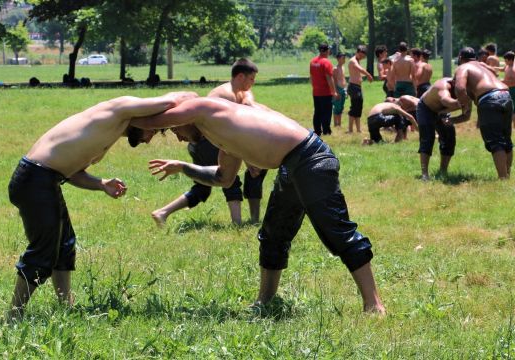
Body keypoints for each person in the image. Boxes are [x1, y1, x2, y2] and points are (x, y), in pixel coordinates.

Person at [132, 97, 386, 314]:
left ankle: (374, 306)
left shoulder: (203, 107)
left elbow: (156, 120)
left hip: (311, 159)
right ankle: (264, 302)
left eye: (176, 129)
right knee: (273, 235)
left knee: (336, 231)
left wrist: (122, 119)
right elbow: (224, 177)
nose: (177, 137)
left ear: (182, 116)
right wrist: (184, 167)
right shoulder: (223, 136)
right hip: (291, 165)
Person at [6, 91, 198, 320]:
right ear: (143, 118)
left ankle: (65, 306)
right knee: (44, 250)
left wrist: (101, 184)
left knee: (65, 245)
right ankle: (14, 315)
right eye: (153, 131)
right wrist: (194, 101)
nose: (148, 139)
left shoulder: (110, 131)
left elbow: (71, 171)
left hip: (45, 179)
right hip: (35, 179)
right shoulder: (119, 107)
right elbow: (172, 100)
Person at [151, 59, 267, 226]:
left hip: (202, 144)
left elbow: (247, 103)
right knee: (229, 177)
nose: (253, 83)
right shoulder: (224, 95)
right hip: (208, 142)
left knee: (203, 186)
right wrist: (248, 158)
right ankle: (237, 224)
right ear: (241, 76)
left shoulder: (236, 92)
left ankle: (162, 212)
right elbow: (232, 134)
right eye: (251, 79)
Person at [454, 47, 513, 179]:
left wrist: (463, 105)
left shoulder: (463, 68)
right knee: (506, 138)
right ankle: (507, 175)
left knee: (495, 141)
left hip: (489, 99)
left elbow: (459, 88)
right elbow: (495, 73)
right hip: (506, 95)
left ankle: (503, 178)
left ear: (460, 58)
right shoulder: (482, 64)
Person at [416, 78, 463, 180]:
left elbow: (464, 111)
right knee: (427, 138)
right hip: (426, 108)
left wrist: (446, 112)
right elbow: (446, 100)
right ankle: (424, 174)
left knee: (449, 136)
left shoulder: (464, 88)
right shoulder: (443, 86)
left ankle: (443, 170)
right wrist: (462, 103)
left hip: (442, 110)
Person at [310, 43, 338, 136]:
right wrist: (333, 92)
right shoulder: (326, 62)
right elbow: (329, 78)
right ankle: (326, 130)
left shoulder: (313, 61)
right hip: (325, 92)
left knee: (317, 112)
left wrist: (314, 87)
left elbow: (311, 77)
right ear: (327, 50)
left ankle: (317, 131)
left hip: (316, 92)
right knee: (326, 112)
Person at [347, 45, 373, 133]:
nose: (362, 57)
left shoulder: (357, 60)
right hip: (353, 87)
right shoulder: (353, 61)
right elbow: (360, 69)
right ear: (357, 52)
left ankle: (358, 129)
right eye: (361, 55)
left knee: (358, 108)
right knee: (354, 108)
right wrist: (368, 75)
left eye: (363, 56)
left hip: (357, 87)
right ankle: (350, 130)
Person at [502, 51, 515, 128]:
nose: (504, 61)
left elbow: (513, 82)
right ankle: (509, 124)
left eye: (505, 60)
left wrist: (501, 81)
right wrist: (490, 67)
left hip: (514, 89)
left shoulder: (513, 69)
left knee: (513, 108)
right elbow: (502, 69)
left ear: (510, 60)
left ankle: (513, 125)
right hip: (510, 89)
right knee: (508, 107)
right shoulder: (508, 65)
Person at [332, 52, 348, 128]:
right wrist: (336, 91)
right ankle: (336, 124)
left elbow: (343, 78)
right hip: (338, 89)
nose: (344, 60)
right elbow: (334, 80)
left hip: (343, 89)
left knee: (341, 107)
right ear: (338, 59)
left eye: (345, 58)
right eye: (343, 58)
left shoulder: (343, 67)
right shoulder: (335, 68)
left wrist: (346, 89)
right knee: (337, 107)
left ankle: (339, 124)